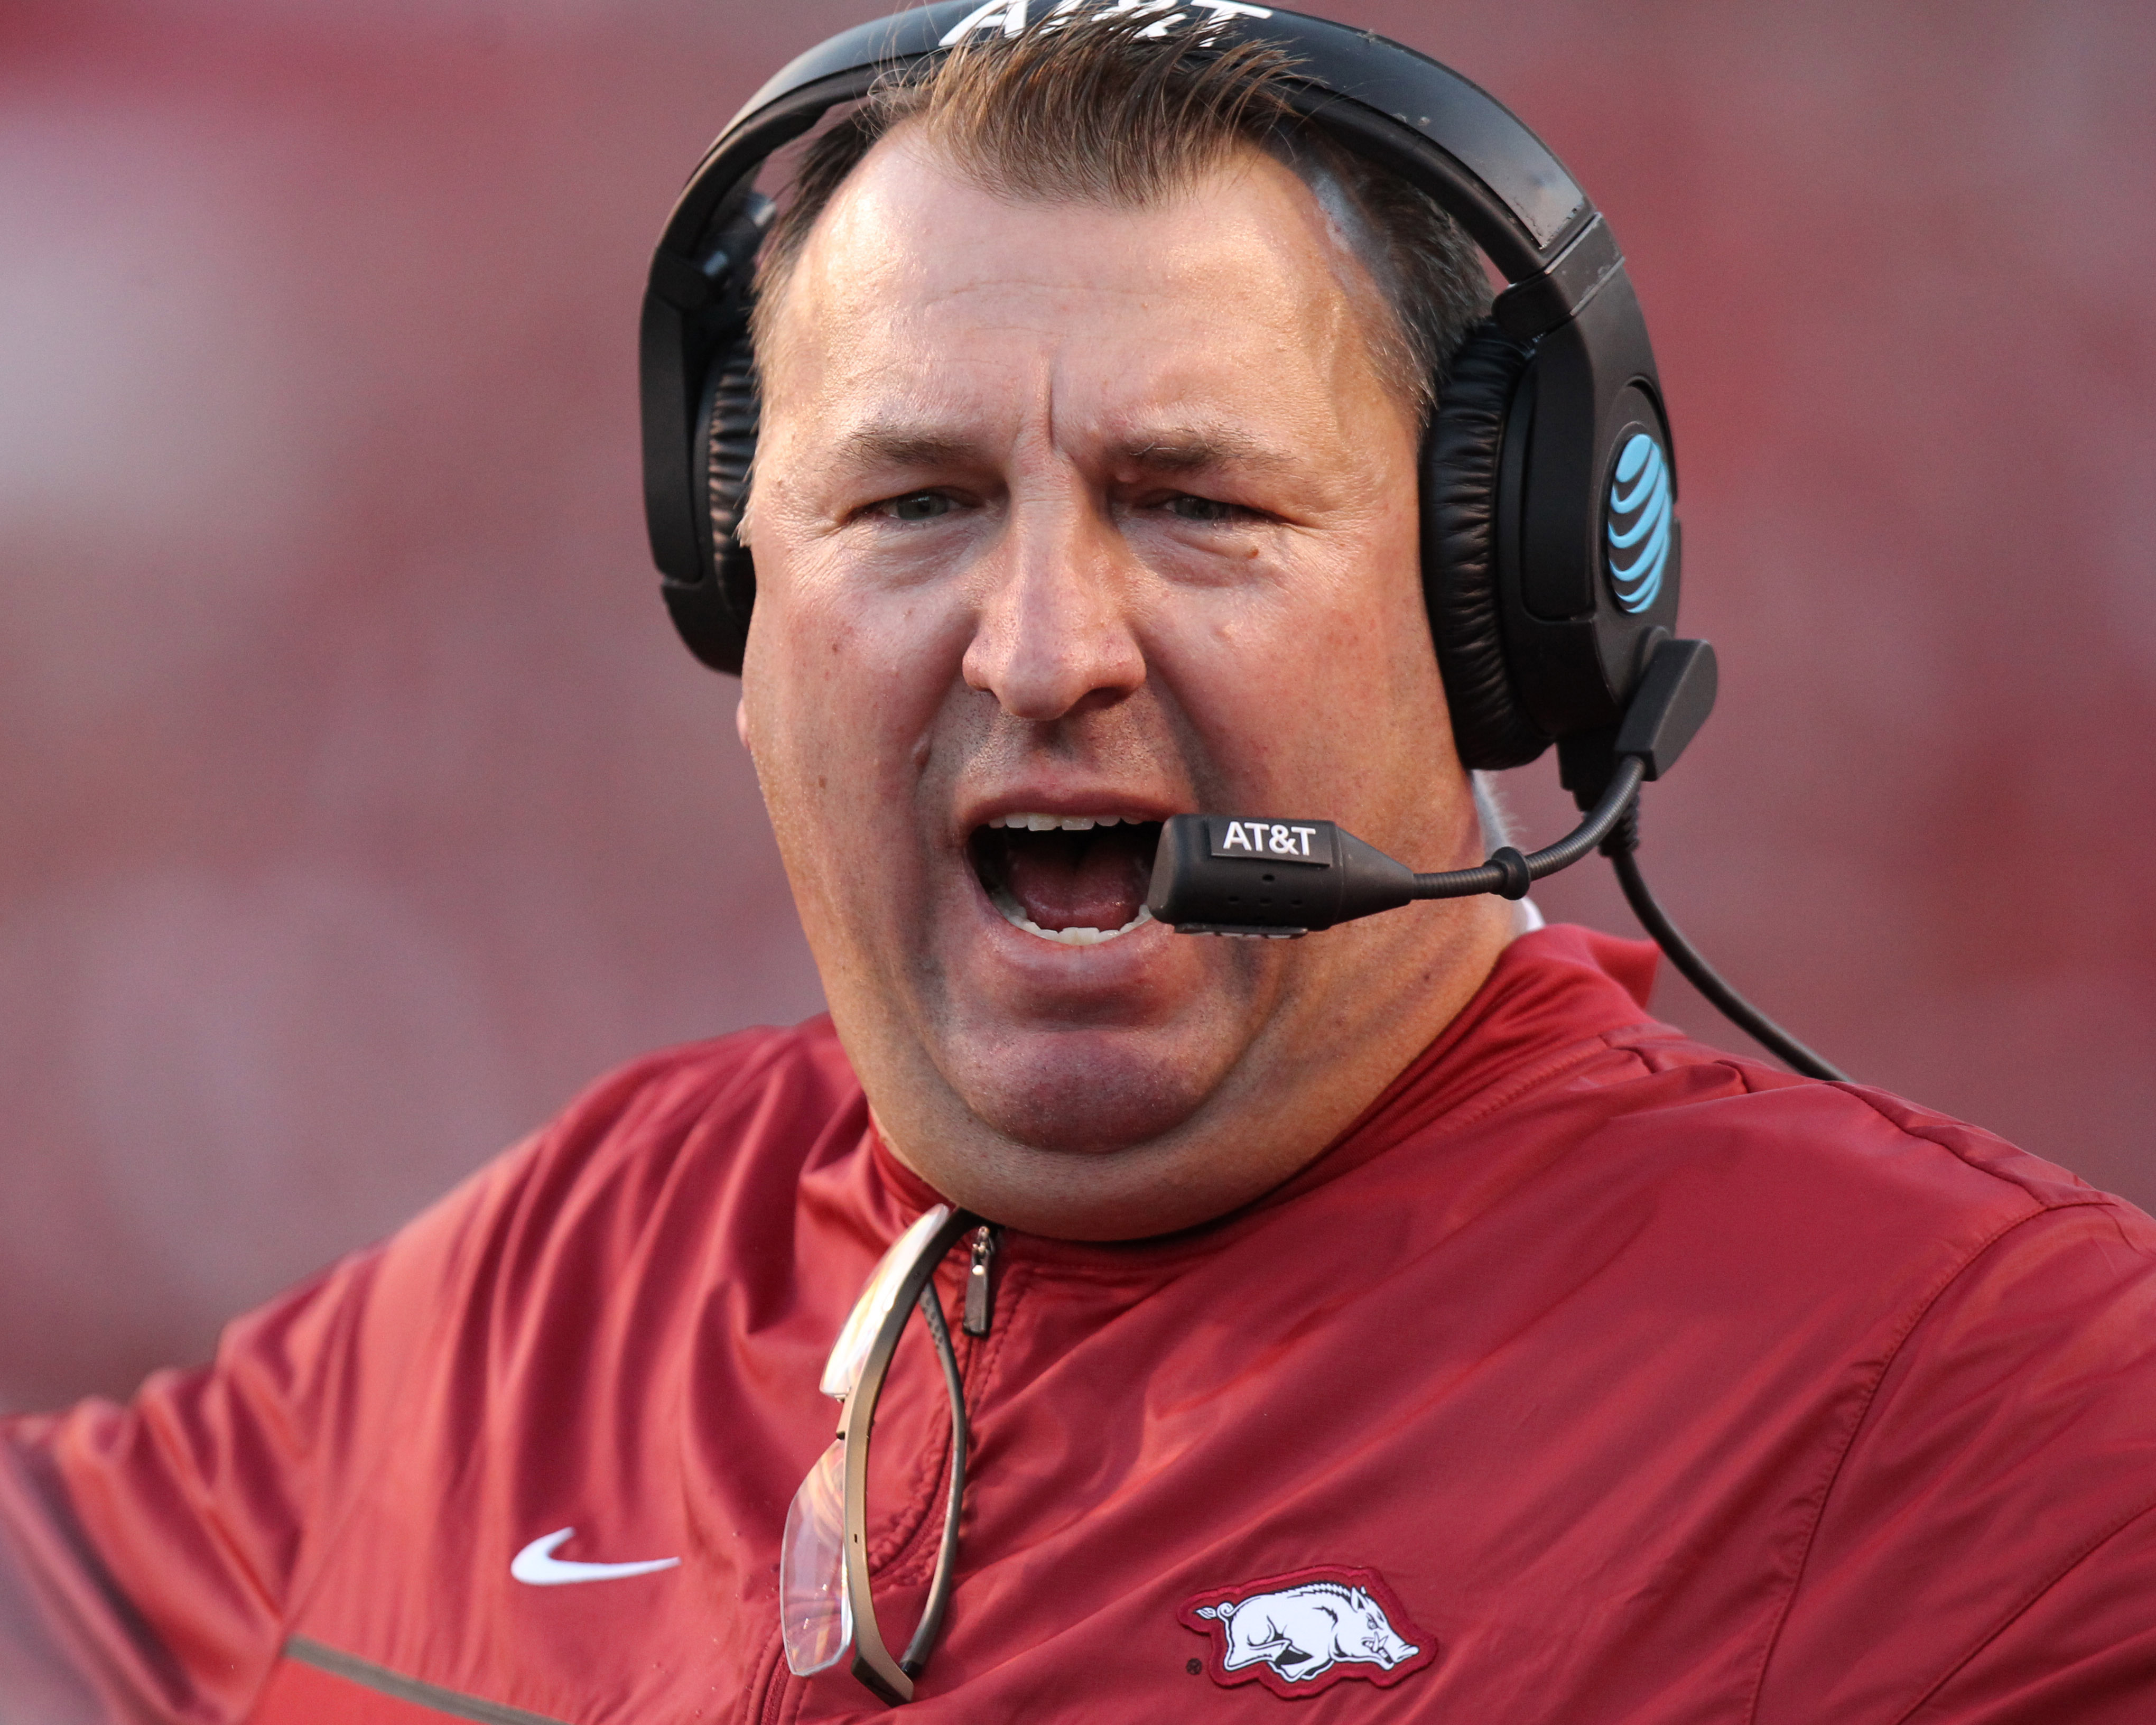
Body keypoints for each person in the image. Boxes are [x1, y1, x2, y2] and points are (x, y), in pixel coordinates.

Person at [5, 10, 2154, 1722]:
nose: (1043, 650)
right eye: (912, 504)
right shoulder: (546, 1285)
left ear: (1494, 614)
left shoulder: (1975, 1398)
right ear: (735, 611)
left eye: (1197, 500)